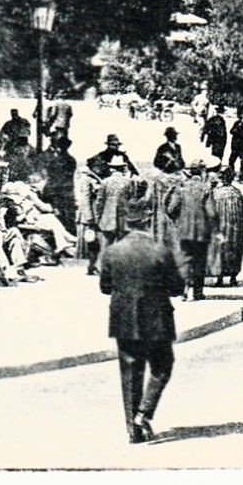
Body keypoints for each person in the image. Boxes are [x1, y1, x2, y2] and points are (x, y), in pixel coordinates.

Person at [99, 180, 184, 444]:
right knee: (161, 367)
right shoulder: (160, 251)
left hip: (124, 319)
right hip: (157, 320)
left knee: (129, 372)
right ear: (147, 220)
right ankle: (144, 414)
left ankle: (131, 430)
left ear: (127, 221)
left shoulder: (112, 252)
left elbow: (104, 287)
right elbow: (176, 287)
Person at [174, 161, 215, 301]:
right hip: (201, 231)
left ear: (190, 171)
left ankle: (184, 290)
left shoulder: (182, 187)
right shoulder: (205, 188)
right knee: (200, 261)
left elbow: (171, 208)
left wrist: (178, 221)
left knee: (186, 259)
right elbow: (211, 212)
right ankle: (198, 292)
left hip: (184, 230)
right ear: (202, 171)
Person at [206, 165, 243, 288]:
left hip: (221, 226)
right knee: (235, 247)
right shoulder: (237, 193)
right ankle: (233, 277)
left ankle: (219, 278)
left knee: (220, 248)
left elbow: (210, 211)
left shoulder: (215, 193)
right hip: (236, 227)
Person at [40, 136, 78, 233]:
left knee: (58, 216)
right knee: (69, 216)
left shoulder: (53, 161)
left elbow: (50, 177)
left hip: (56, 191)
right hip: (68, 191)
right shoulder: (72, 160)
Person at [73, 154, 103, 274]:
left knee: (94, 242)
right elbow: (85, 199)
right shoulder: (87, 179)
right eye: (98, 165)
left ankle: (93, 266)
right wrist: (90, 218)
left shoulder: (93, 178)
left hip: (91, 215)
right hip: (88, 216)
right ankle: (93, 266)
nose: (101, 167)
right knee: (92, 242)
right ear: (93, 166)